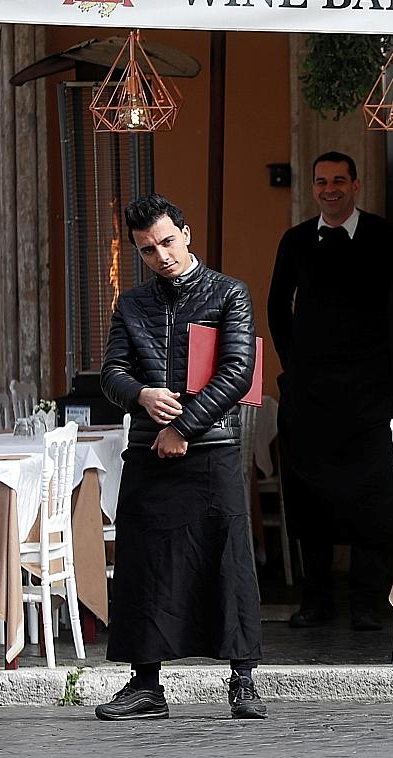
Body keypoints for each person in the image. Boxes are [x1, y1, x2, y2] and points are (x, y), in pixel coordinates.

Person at [95, 193, 266, 721]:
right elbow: (111, 373)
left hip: (209, 449)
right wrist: (141, 397)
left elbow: (238, 372)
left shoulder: (228, 294)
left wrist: (184, 428)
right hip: (149, 450)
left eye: (167, 242)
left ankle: (242, 682)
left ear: (186, 233)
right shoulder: (131, 305)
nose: (161, 256)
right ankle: (145, 686)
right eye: (148, 250)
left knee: (227, 560)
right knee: (144, 565)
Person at [268, 152, 393, 631]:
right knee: (309, 495)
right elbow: (277, 305)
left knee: (373, 495)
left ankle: (366, 601)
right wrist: (292, 366)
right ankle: (314, 601)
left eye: (339, 180)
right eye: (321, 182)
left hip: (373, 390)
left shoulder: (384, 236)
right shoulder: (296, 240)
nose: (330, 189)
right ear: (313, 188)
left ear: (356, 185)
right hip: (311, 392)